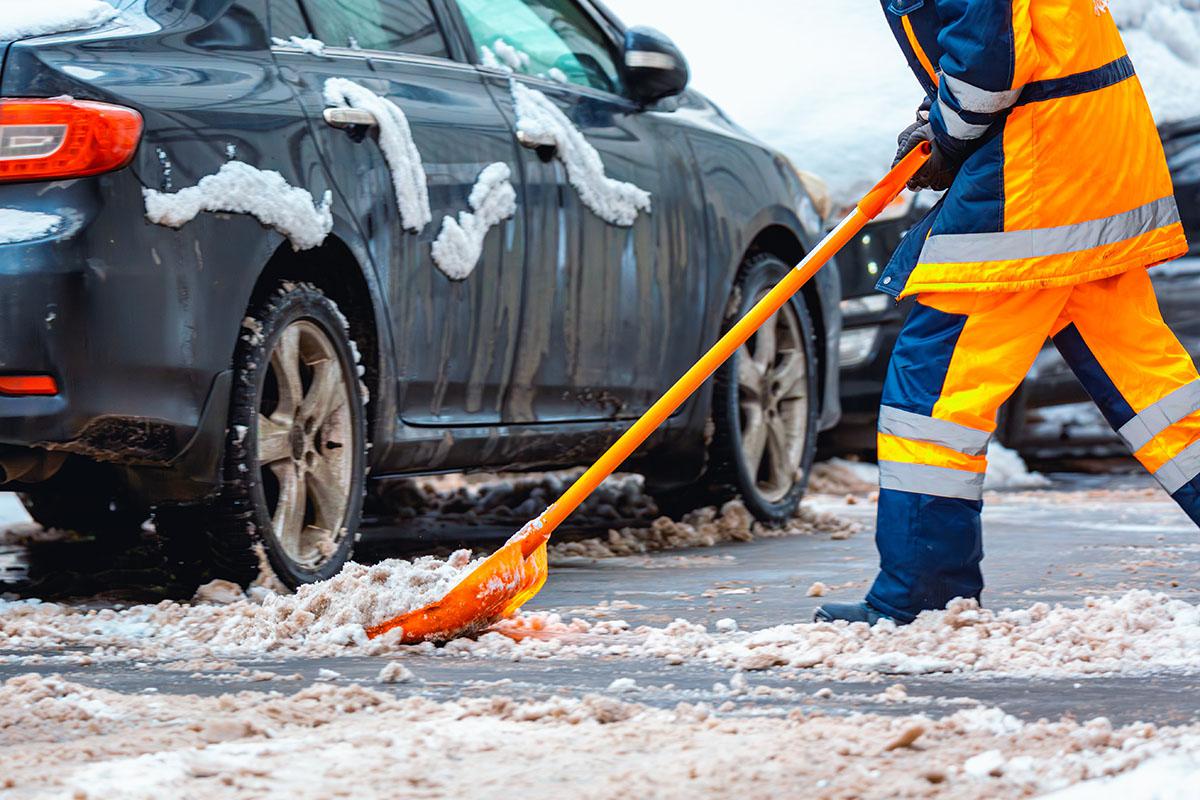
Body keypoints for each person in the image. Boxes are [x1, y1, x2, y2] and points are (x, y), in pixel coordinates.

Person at [815, 0, 1192, 625]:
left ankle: (925, 591)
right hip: (1087, 150)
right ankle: (927, 585)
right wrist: (943, 120)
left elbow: (991, 65)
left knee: (934, 391)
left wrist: (945, 134)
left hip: (1038, 169)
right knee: (1153, 387)